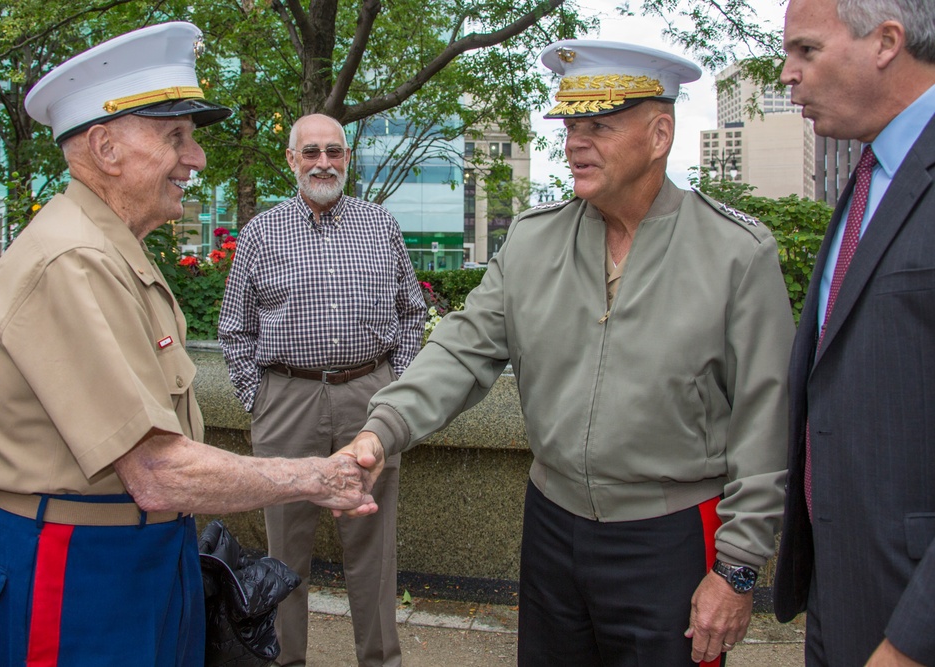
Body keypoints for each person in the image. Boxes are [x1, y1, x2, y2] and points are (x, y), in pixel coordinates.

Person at [339, 40, 795, 666]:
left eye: (599, 126)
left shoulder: (737, 255)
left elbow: (766, 422)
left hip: (672, 538)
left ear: (659, 134)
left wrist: (738, 570)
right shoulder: (531, 241)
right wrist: (381, 429)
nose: (575, 142)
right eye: (570, 126)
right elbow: (462, 348)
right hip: (552, 529)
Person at [0, 23, 378, 666]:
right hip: (79, 567)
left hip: (139, 554)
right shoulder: (71, 260)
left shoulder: (107, 248)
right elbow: (156, 471)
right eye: (175, 137)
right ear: (105, 147)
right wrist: (317, 475)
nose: (197, 159)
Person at [218, 113, 426, 667]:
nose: (323, 163)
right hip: (287, 401)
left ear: (347, 158)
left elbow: (412, 311)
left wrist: (394, 389)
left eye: (333, 151)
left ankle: (381, 660)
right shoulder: (262, 232)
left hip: (369, 401)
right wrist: (257, 399)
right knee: (286, 550)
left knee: (374, 550)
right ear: (292, 160)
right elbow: (234, 328)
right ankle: (285, 660)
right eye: (311, 152)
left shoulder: (381, 226)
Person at [773, 1, 935, 665]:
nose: (788, 75)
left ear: (886, 42)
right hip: (842, 601)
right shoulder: (868, 178)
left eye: (807, 50)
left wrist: (909, 640)